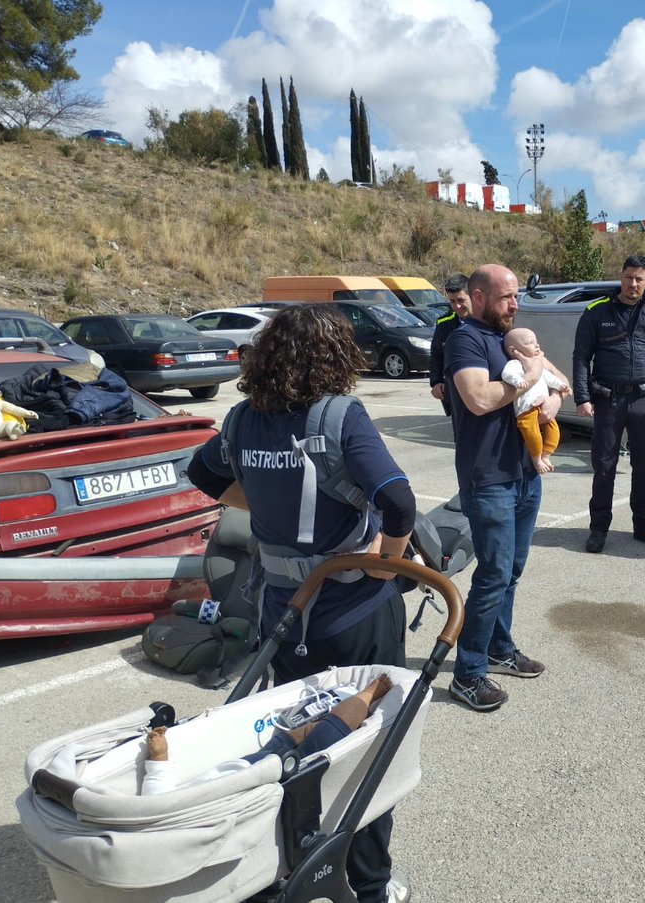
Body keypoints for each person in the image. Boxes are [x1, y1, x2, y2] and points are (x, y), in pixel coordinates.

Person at [187, 304, 414, 903]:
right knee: (367, 752)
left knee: (297, 741)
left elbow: (201, 474)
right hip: (354, 613)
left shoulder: (240, 420)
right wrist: (387, 560)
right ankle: (369, 885)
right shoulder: (339, 416)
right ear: (335, 355)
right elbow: (399, 502)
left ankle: (294, 864)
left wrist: (264, 506)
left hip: (283, 614)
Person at [445, 264, 563, 712]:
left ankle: (498, 648)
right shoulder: (466, 340)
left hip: (526, 474)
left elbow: (555, 386)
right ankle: (468, 674)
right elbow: (478, 399)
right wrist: (532, 379)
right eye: (505, 297)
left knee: (510, 571)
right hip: (488, 476)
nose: (515, 304)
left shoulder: (512, 338)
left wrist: (549, 398)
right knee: (492, 575)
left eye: (516, 296)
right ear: (478, 297)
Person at [571, 254, 645, 554]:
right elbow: (581, 356)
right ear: (620, 276)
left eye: (639, 279)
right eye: (629, 277)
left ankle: (644, 524)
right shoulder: (596, 311)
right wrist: (582, 397)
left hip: (644, 401)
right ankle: (598, 528)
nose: (633, 284)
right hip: (608, 400)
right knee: (604, 467)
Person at [142, 674, 393, 795]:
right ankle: (369, 693)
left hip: (241, 770)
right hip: (257, 785)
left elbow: (155, 798)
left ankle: (332, 714)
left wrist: (158, 758)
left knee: (288, 741)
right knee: (317, 743)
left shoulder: (155, 819)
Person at [501, 326, 570, 475]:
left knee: (554, 431)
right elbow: (507, 374)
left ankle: (546, 455)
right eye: (530, 342)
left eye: (536, 341)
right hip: (527, 409)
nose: (536, 345)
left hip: (543, 405)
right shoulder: (515, 364)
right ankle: (536, 458)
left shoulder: (538, 363)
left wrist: (561, 386)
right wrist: (517, 380)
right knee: (532, 434)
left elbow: (551, 378)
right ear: (514, 351)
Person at [429, 275, 471, 416]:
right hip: (454, 398)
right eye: (452, 301)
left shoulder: (487, 322)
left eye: (460, 300)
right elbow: (436, 354)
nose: (457, 306)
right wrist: (436, 382)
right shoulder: (444, 323)